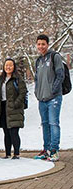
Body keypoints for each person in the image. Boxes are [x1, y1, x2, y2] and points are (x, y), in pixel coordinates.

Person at [34, 34, 64, 162]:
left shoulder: (54, 57)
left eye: (43, 44)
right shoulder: (38, 61)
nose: (41, 46)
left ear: (47, 44)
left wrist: (53, 90)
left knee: (53, 123)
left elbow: (60, 75)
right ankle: (46, 150)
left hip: (54, 98)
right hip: (42, 99)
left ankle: (54, 150)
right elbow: (36, 79)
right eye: (39, 44)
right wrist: (37, 92)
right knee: (45, 124)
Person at [0, 58, 27, 159]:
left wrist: (15, 104)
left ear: (14, 67)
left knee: (14, 132)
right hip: (3, 108)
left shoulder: (18, 79)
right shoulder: (0, 80)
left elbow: (23, 92)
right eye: (6, 65)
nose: (8, 67)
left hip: (14, 108)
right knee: (6, 132)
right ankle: (7, 153)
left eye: (10, 65)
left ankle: (16, 153)